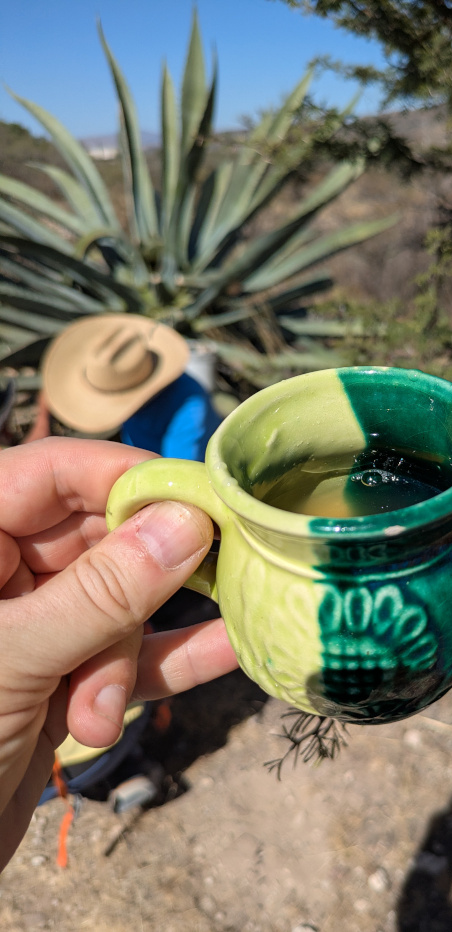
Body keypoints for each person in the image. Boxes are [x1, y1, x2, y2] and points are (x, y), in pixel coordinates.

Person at [0, 437, 239, 873]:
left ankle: (123, 774)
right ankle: (128, 770)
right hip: (78, 743)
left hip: (53, 764)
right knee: (114, 712)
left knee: (109, 709)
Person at [26, 313, 222, 459]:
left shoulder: (189, 412)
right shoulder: (128, 375)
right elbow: (51, 390)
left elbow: (176, 480)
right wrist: (43, 420)